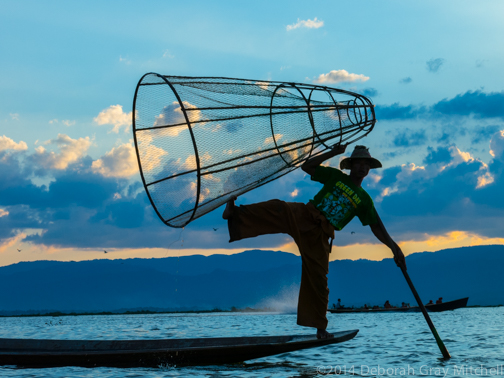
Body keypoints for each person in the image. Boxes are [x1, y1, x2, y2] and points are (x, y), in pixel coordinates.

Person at [222, 144, 406, 339]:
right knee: (278, 208)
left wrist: (395, 249)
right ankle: (235, 212)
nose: (362, 167)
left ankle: (320, 328)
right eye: (358, 163)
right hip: (305, 214)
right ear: (351, 166)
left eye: (366, 164)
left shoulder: (364, 200)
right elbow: (307, 167)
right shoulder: (336, 177)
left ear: (369, 169)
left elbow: (376, 226)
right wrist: (333, 153)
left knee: (319, 281)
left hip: (321, 235)